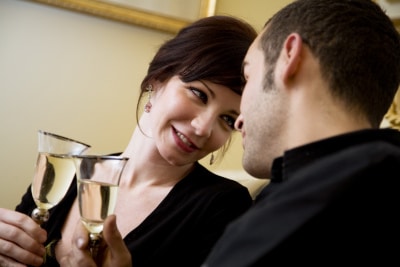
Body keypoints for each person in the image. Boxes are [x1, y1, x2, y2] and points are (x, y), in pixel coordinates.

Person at [58, 0, 400, 266]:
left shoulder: (246, 209)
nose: (236, 123)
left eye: (248, 76)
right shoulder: (282, 196)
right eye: (199, 94)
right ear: (155, 81)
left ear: (290, 58)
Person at [0, 15, 257, 267]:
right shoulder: (65, 176)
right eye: (199, 94)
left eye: (227, 119)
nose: (203, 128)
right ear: (156, 80)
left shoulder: (224, 208)